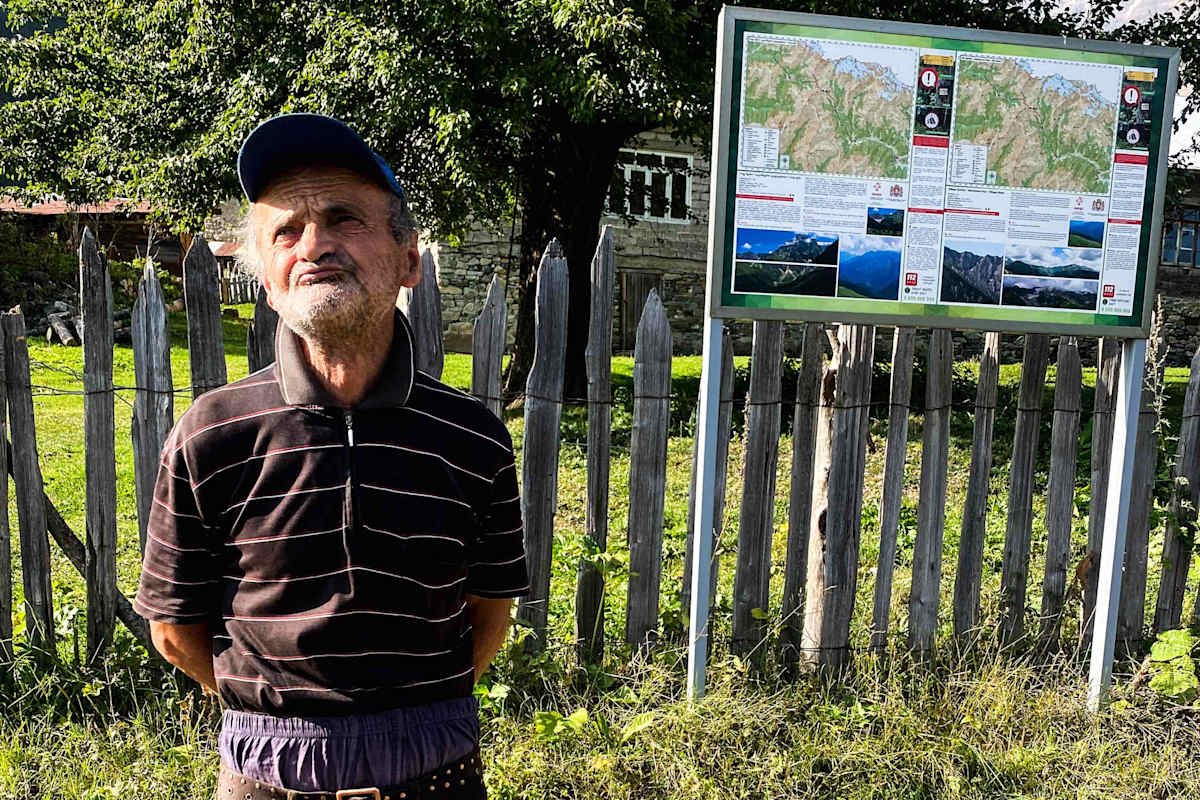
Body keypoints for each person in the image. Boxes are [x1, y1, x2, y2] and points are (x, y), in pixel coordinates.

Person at [134, 113, 529, 800]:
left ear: (409, 260)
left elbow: (489, 614)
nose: (313, 245)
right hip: (267, 776)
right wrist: (282, 723)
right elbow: (173, 629)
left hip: (438, 775)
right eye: (286, 231)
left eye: (344, 218)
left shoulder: (472, 438)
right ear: (267, 281)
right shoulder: (211, 435)